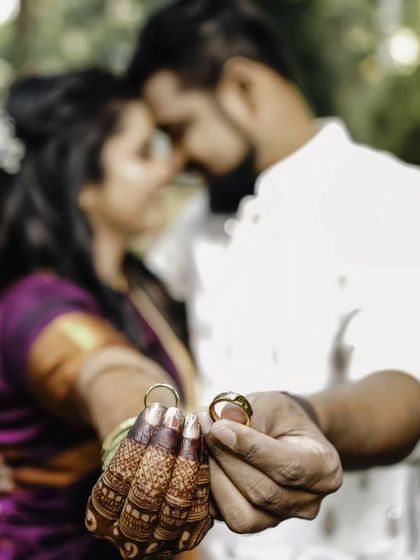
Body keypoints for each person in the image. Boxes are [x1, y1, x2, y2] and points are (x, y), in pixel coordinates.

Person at [125, 0, 420, 558]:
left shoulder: (392, 196)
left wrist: (311, 418)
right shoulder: (202, 218)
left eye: (179, 130)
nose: (175, 161)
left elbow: (406, 389)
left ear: (241, 85)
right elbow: (134, 300)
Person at [0, 68, 215, 559]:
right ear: (83, 179)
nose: (167, 169)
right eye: (144, 153)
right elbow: (96, 367)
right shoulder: (35, 305)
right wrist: (138, 430)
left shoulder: (137, 282)